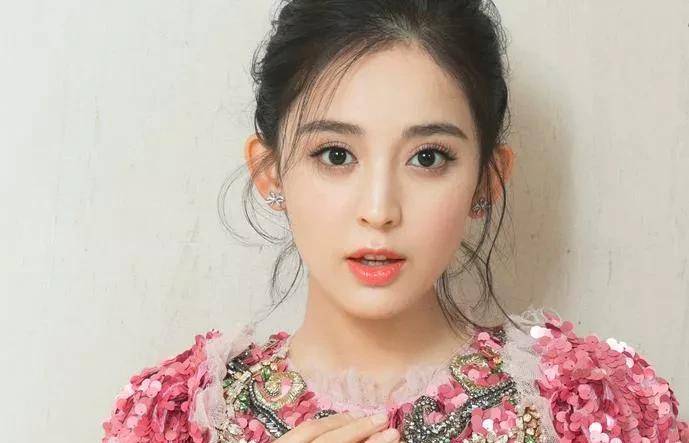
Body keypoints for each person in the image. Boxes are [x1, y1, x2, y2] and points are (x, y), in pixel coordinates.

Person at [101, 1, 689, 442]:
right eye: (336, 155)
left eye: (428, 157)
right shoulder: (177, 420)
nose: (380, 210)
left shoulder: (592, 409)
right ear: (270, 172)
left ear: (486, 180)